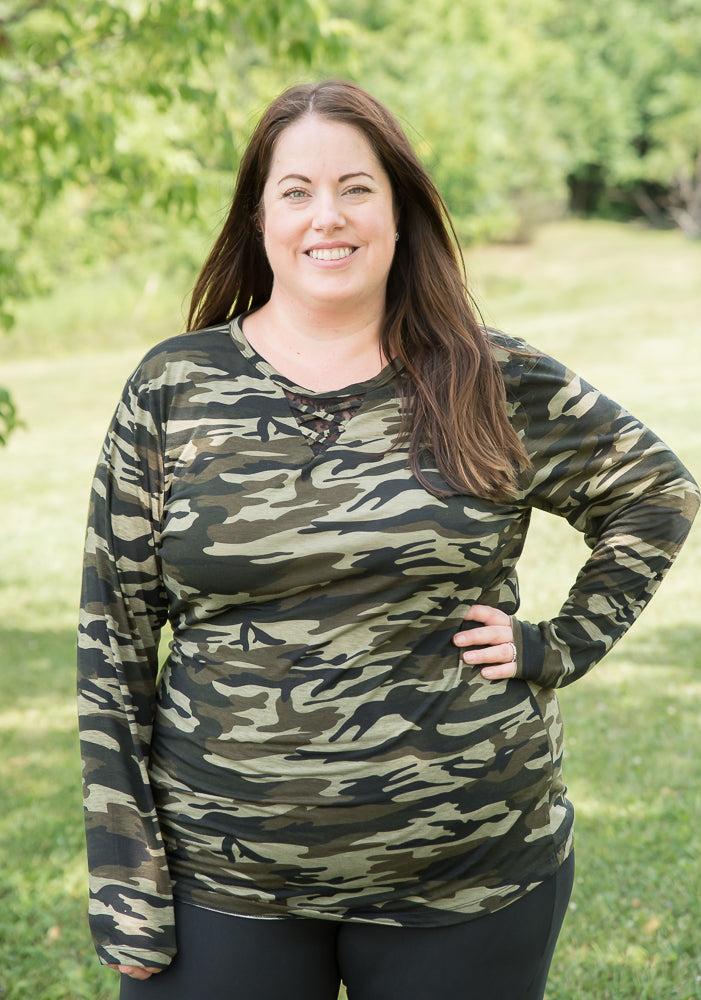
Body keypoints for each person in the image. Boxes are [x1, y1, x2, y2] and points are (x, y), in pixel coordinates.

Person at [77, 79, 699, 1000]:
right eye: (296, 191)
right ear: (258, 218)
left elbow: (656, 491)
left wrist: (557, 645)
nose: (327, 216)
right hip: (223, 878)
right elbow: (113, 637)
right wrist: (125, 873)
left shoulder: (490, 377)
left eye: (356, 187)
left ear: (401, 212)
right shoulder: (175, 387)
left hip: (468, 873)